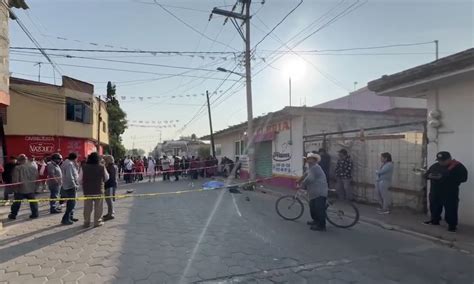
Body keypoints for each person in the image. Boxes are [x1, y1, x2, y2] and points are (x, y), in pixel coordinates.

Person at [424, 151, 468, 233]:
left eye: (443, 160)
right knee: (434, 207)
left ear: (449, 159)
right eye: (439, 160)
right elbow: (426, 174)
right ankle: (434, 220)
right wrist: (428, 176)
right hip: (435, 191)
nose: (441, 162)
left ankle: (452, 226)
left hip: (449, 193)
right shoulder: (435, 166)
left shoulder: (457, 166)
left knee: (451, 209)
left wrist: (447, 177)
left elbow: (464, 178)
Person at [299, 153, 328, 231]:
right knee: (312, 207)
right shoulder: (310, 168)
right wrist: (299, 180)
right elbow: (305, 175)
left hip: (320, 191)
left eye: (310, 159)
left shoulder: (316, 167)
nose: (308, 160)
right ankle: (315, 221)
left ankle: (322, 226)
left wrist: (302, 184)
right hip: (313, 191)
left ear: (315, 160)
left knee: (319, 209)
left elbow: (309, 179)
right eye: (308, 159)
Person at [80, 152, 109, 228]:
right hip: (98, 190)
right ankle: (97, 221)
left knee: (87, 207)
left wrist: (83, 184)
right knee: (98, 207)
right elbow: (107, 178)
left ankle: (86, 222)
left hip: (87, 191)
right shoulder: (101, 167)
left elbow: (79, 179)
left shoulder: (84, 167)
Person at [8, 154, 39, 220]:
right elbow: (37, 177)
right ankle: (35, 213)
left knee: (17, 202)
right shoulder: (33, 167)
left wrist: (14, 188)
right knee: (33, 202)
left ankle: (13, 214)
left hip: (20, 189)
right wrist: (35, 187)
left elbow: (15, 180)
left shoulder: (17, 168)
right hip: (31, 188)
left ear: (19, 160)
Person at [60, 153, 80, 225]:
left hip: (68, 185)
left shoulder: (67, 163)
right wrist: (74, 185)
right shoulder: (69, 164)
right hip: (70, 186)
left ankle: (70, 216)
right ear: (75, 158)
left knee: (72, 202)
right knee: (71, 203)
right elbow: (70, 176)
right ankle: (65, 218)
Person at [103, 155, 118, 221]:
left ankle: (111, 213)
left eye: (105, 159)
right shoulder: (113, 166)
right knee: (109, 200)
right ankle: (110, 212)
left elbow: (107, 176)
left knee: (109, 200)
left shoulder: (110, 167)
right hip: (112, 184)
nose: (104, 160)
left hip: (110, 184)